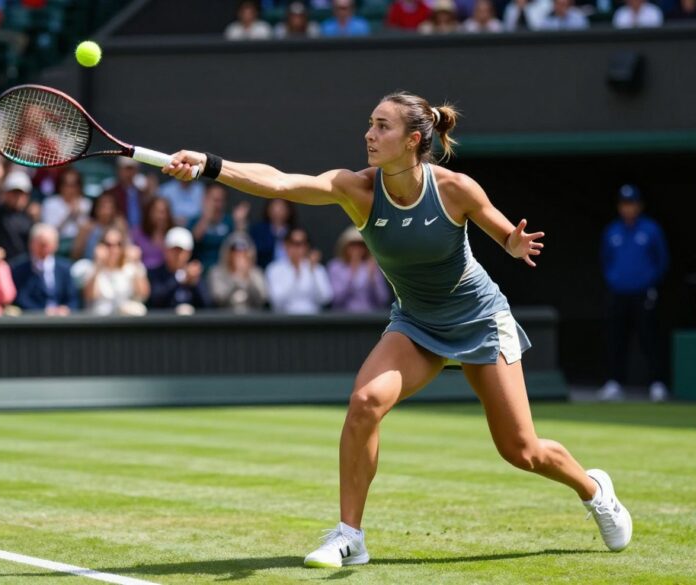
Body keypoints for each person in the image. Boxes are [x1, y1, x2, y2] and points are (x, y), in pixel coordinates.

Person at [161, 90, 632, 567]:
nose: (369, 134)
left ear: (412, 140)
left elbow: (502, 233)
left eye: (382, 126)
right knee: (365, 402)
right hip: (417, 322)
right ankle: (350, 536)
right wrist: (209, 164)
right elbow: (282, 183)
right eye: (369, 123)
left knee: (521, 450)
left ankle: (594, 490)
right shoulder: (357, 189)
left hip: (480, 320)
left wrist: (512, 244)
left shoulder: (454, 188)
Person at [598, 184, 669, 402]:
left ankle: (657, 384)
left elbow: (662, 260)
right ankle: (615, 383)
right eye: (624, 204)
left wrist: (650, 284)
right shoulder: (612, 231)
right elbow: (605, 261)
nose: (628, 208)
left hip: (643, 294)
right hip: (619, 294)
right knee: (617, 339)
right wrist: (614, 281)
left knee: (649, 338)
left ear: (639, 206)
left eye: (632, 203)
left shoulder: (651, 230)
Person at [11, 223, 80, 315]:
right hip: (32, 321)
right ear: (31, 244)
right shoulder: (19, 268)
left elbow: (72, 298)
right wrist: (43, 312)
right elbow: (21, 299)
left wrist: (65, 309)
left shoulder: (64, 268)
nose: (44, 248)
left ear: (55, 245)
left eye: (47, 244)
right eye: (41, 244)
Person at [83, 226, 150, 316]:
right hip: (100, 321)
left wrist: (136, 263)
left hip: (125, 322)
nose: (114, 249)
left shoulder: (132, 267)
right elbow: (89, 296)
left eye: (118, 244)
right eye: (108, 245)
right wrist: (98, 264)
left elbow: (143, 294)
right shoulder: (92, 268)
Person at [265, 227, 332, 314]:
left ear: (307, 246)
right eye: (293, 243)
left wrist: (313, 272)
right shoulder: (274, 269)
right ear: (285, 245)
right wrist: (295, 273)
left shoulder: (317, 268)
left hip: (313, 319)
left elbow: (325, 298)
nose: (298, 248)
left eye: (302, 243)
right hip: (284, 320)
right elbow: (276, 301)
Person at [327, 226, 391, 312]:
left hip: (368, 317)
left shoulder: (371, 266)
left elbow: (383, 299)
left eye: (360, 245)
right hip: (342, 318)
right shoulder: (335, 266)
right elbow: (336, 299)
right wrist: (352, 272)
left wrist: (372, 279)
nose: (357, 250)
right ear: (345, 246)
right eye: (353, 245)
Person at [147, 226, 207, 313]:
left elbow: (207, 304)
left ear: (189, 253)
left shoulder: (195, 275)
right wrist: (180, 278)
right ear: (166, 250)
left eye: (181, 251)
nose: (177, 255)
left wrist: (195, 284)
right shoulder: (155, 273)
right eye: (174, 250)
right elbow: (155, 300)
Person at [189, 183, 248, 271]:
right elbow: (193, 242)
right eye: (215, 200)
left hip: (225, 272)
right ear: (205, 199)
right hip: (201, 270)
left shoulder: (229, 222)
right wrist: (206, 218)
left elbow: (240, 245)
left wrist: (239, 223)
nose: (218, 205)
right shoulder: (194, 221)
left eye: (221, 200)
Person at [207, 231, 267, 313]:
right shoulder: (217, 273)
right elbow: (219, 300)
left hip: (252, 319)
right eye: (235, 251)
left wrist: (247, 277)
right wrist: (237, 277)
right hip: (224, 319)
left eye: (243, 251)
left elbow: (261, 300)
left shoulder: (255, 273)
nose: (239, 255)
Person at [0, 170, 34, 262]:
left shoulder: (29, 218)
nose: (18, 198)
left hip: (23, 268)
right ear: (6, 194)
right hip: (1, 265)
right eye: (14, 193)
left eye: (21, 194)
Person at [71, 193, 128, 261]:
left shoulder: (119, 225)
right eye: (103, 207)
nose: (106, 212)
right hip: (89, 265)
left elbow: (127, 246)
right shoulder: (87, 226)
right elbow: (75, 253)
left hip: (115, 266)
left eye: (109, 207)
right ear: (96, 208)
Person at [40, 166, 90, 241]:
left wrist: (77, 216)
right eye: (66, 184)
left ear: (79, 187)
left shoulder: (86, 204)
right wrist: (68, 215)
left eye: (73, 185)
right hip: (56, 242)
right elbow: (49, 232)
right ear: (60, 186)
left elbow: (87, 232)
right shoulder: (50, 203)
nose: (69, 189)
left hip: (78, 244)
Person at [249, 197, 295, 268]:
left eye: (281, 208)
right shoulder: (258, 230)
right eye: (274, 207)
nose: (277, 212)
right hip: (263, 271)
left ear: (289, 210)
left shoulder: (294, 232)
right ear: (268, 209)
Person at [132, 195, 175, 271]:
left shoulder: (174, 235)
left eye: (164, 212)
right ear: (149, 212)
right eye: (157, 212)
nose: (160, 216)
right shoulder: (137, 234)